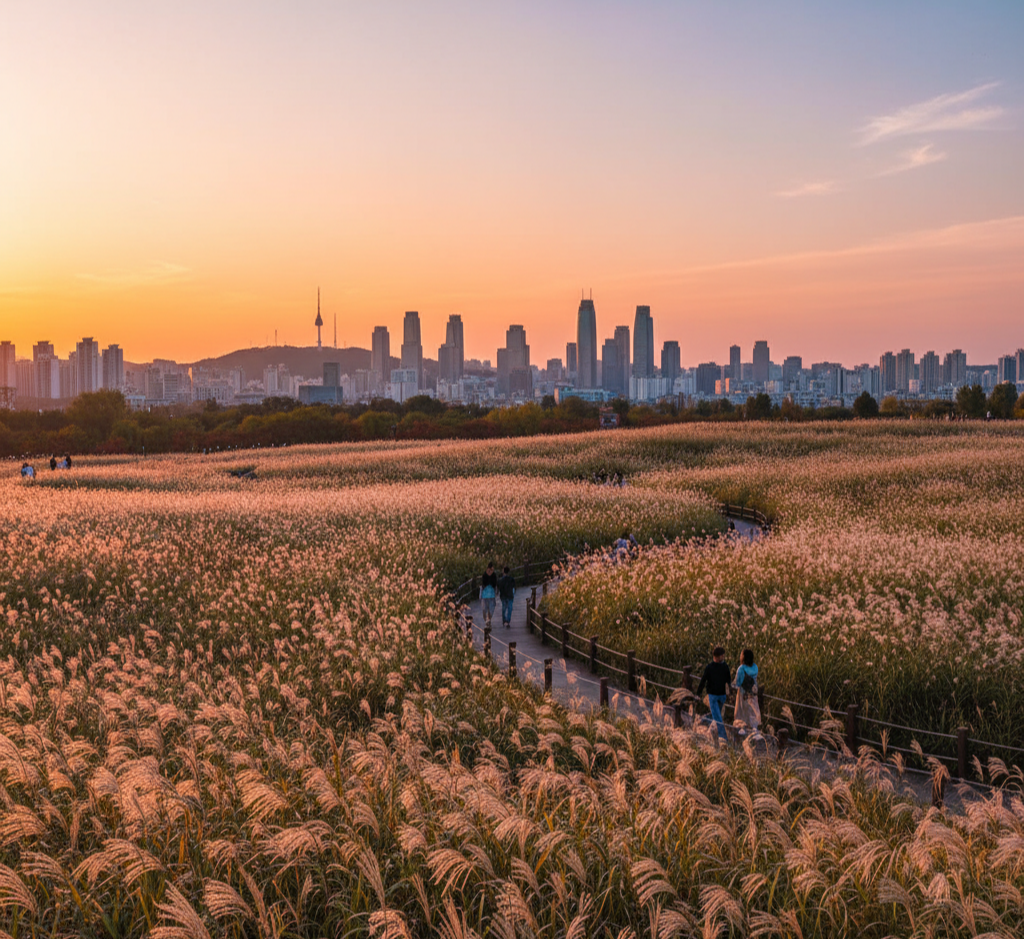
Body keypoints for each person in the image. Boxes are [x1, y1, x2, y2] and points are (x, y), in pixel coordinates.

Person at [696, 646, 733, 740]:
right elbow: (703, 681)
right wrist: (698, 694)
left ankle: (703, 721)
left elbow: (729, 681)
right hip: (713, 696)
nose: (723, 657)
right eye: (722, 656)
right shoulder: (713, 667)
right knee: (718, 719)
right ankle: (724, 738)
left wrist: (730, 693)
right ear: (717, 656)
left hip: (721, 696)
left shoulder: (722, 667)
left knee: (716, 716)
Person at [734, 648, 761, 734]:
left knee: (742, 711)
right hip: (753, 693)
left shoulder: (741, 668)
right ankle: (754, 729)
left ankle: (742, 729)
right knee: (752, 710)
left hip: (743, 694)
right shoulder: (755, 667)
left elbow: (737, 683)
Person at [480, 562, 498, 628]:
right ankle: (489, 620)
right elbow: (495, 584)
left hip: (484, 594)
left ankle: (486, 621)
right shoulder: (494, 575)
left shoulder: (484, 574)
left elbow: (483, 583)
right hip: (491, 594)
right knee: (491, 608)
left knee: (485, 609)